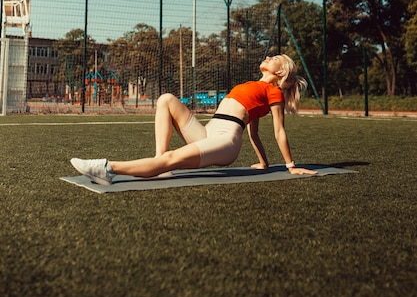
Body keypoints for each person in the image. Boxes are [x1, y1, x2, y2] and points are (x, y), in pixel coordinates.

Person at [70, 54, 317, 185]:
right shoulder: (252, 86)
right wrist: (263, 164)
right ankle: (159, 165)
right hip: (208, 131)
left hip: (226, 140)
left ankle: (106, 168)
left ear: (280, 72)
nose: (269, 57)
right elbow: (254, 133)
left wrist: (290, 165)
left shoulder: (273, 92)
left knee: (172, 159)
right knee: (166, 99)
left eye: (275, 58)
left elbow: (278, 131)